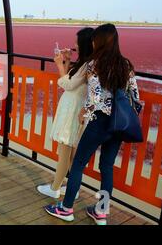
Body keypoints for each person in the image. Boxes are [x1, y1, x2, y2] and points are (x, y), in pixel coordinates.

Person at [45, 23, 141, 225]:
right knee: (107, 167)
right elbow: (135, 97)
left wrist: (85, 111)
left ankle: (66, 208)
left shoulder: (94, 64)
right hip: (119, 125)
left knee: (78, 163)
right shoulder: (126, 65)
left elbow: (95, 95)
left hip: (99, 121)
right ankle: (101, 212)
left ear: (99, 41)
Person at [37, 27, 94, 199]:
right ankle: (73, 189)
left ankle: (55, 188)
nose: (74, 44)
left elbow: (68, 85)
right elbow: (71, 80)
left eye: (77, 41)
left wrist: (59, 65)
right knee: (71, 152)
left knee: (65, 151)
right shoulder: (87, 63)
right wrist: (67, 62)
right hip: (76, 108)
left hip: (73, 110)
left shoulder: (86, 65)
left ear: (84, 44)